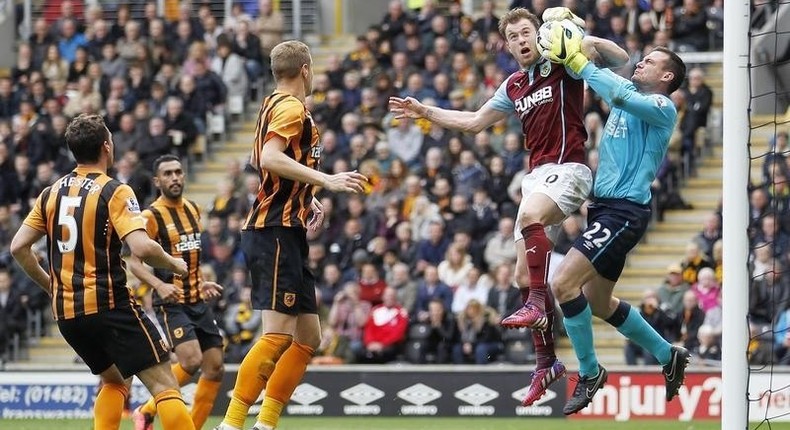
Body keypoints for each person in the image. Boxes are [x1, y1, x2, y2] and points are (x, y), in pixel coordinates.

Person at [389, 7, 629, 406]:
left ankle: (538, 304)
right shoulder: (514, 84)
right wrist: (423, 111)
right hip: (536, 177)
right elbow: (473, 122)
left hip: (569, 169)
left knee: (532, 226)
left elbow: (619, 57)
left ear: (540, 34)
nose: (521, 40)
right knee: (521, 275)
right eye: (513, 36)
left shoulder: (561, 62)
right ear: (508, 45)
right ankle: (546, 362)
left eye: (526, 32)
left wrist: (582, 41)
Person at [537, 22, 691, 414]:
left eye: (651, 61)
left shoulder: (661, 106)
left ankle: (589, 372)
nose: (641, 63)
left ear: (667, 76)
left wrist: (578, 57)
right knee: (600, 303)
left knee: (564, 283)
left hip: (624, 211)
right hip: (602, 209)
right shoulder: (627, 91)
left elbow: (618, 93)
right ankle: (666, 353)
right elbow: (612, 65)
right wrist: (575, 35)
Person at [214, 40, 367, 430]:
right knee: (277, 335)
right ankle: (231, 424)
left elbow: (256, 159)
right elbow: (268, 158)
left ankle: (266, 423)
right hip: (273, 230)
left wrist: (305, 195)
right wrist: (324, 180)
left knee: (308, 336)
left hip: (286, 227)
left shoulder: (270, 103)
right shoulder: (289, 107)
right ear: (305, 69)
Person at [9, 114, 195, 430]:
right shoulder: (115, 191)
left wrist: (52, 286)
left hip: (67, 314)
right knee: (165, 385)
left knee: (114, 381)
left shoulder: (51, 192)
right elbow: (142, 248)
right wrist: (175, 263)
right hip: (109, 305)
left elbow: (18, 248)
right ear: (107, 147)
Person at [129, 154, 225, 430]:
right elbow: (134, 262)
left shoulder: (194, 209)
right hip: (171, 302)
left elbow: (191, 256)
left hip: (197, 298)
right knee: (191, 360)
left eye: (178, 172)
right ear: (158, 181)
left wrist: (202, 280)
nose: (174, 178)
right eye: (168, 174)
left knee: (216, 367)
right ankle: (146, 410)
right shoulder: (151, 216)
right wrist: (159, 285)